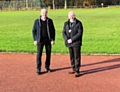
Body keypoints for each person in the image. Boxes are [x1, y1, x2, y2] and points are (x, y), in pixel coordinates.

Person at [32, 8, 55, 75]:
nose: (44, 14)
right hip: (40, 40)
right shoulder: (37, 21)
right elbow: (34, 31)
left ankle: (47, 67)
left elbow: (53, 30)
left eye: (45, 13)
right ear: (40, 13)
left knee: (48, 54)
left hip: (48, 40)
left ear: (47, 13)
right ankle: (38, 69)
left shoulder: (49, 21)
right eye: (43, 13)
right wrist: (35, 39)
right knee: (39, 55)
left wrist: (52, 39)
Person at [62, 11, 83, 77]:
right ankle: (73, 68)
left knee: (77, 57)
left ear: (74, 15)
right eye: (70, 15)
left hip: (76, 43)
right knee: (71, 56)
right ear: (68, 16)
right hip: (69, 43)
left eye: (72, 15)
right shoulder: (66, 23)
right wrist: (67, 39)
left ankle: (77, 70)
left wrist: (72, 39)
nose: (71, 16)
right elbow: (63, 32)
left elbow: (79, 34)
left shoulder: (79, 23)